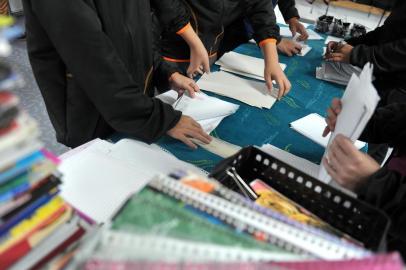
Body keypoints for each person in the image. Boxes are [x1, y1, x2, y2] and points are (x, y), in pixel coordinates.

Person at [22, 0, 211, 149]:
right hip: (92, 114)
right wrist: (159, 120)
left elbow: (135, 31)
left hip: (133, 103)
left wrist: (164, 72)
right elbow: (93, 61)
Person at [323, 98, 406, 258]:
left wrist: (377, 184)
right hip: (369, 214)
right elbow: (398, 121)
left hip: (392, 250)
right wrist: (356, 121)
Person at [160, 0, 292, 99]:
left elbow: (260, 9)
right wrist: (194, 43)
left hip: (208, 51)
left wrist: (272, 61)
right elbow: (168, 7)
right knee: (167, 104)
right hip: (169, 53)